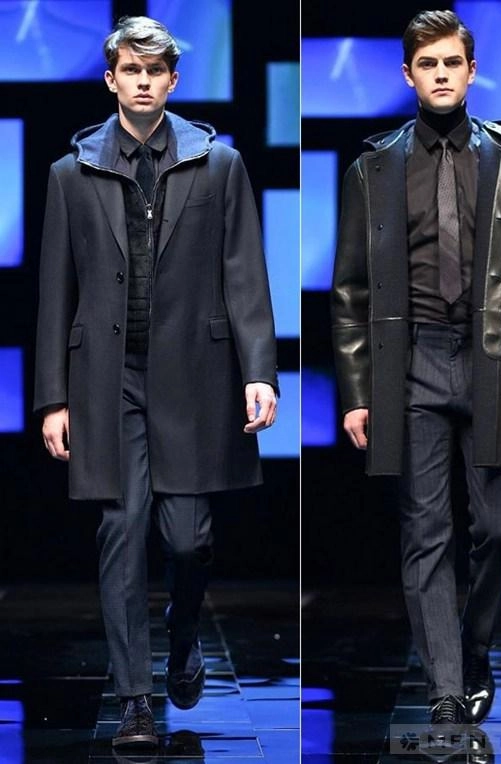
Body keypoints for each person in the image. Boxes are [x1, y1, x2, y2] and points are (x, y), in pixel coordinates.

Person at [34, 16, 278, 751]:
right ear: (111, 79)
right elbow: (56, 293)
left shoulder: (219, 164)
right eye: (130, 70)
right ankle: (135, 700)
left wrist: (259, 371)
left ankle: (183, 632)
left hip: (194, 377)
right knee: (120, 530)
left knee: (188, 540)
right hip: (108, 380)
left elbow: (245, 275)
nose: (142, 82)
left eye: (155, 71)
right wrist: (53, 398)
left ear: (173, 80)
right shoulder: (71, 173)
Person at [331, 9, 501, 731]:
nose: (440, 74)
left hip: (495, 362)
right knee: (425, 530)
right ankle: (443, 685)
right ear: (408, 75)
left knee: (500, 529)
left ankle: (472, 650)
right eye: (427, 64)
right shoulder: (372, 168)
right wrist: (358, 392)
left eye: (451, 63)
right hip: (412, 364)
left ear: (472, 71)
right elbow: (351, 290)